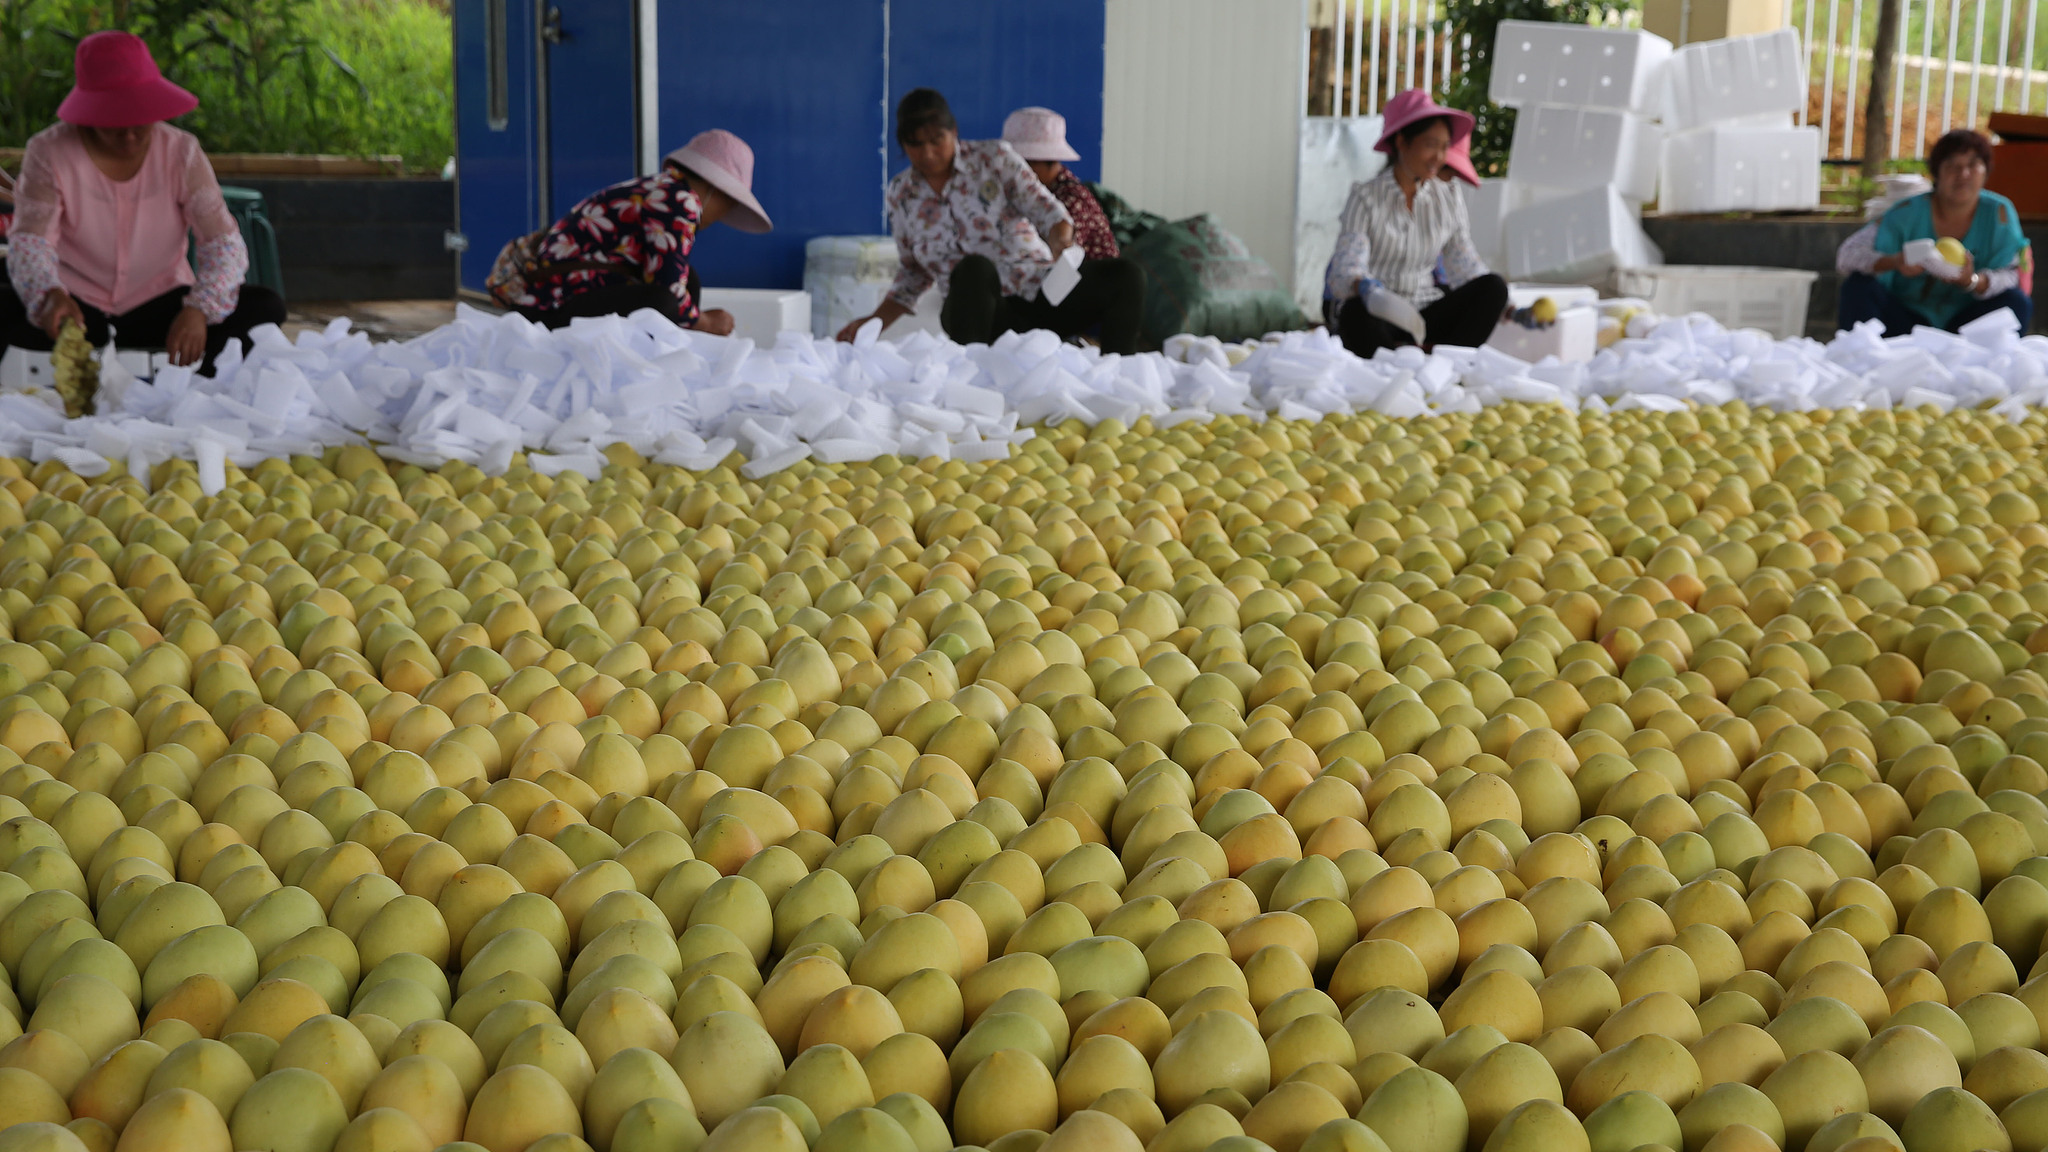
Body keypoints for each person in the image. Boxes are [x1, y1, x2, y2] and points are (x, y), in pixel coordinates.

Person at [1, 31, 286, 373]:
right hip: (76, 310)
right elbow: (31, 240)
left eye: (140, 122)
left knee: (265, 307)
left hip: (163, 305)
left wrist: (199, 309)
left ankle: (186, 372)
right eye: (114, 126)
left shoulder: (182, 151)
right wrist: (48, 295)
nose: (130, 136)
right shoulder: (49, 152)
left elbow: (222, 242)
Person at [837, 88, 1145, 354]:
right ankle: (973, 384)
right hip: (979, 314)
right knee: (973, 268)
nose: (928, 153)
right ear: (902, 144)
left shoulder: (994, 159)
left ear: (954, 131)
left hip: (1040, 294)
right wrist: (872, 323)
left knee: (1126, 275)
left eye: (936, 140)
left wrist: (1061, 243)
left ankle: (1117, 378)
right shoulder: (901, 194)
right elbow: (912, 275)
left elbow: (1049, 212)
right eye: (916, 144)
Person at [489, 129, 770, 334]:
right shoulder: (679, 199)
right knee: (663, 302)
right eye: (729, 203)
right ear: (714, 189)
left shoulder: (660, 188)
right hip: (548, 310)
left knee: (688, 280)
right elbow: (666, 285)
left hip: (549, 300)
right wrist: (706, 323)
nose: (723, 215)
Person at [1325, 89, 1508, 357]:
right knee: (1354, 313)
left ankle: (1445, 364)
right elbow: (1345, 267)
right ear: (1402, 142)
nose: (1438, 157)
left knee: (1493, 288)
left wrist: (1510, 308)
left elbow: (1464, 263)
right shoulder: (1365, 197)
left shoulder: (1448, 196)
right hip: (1379, 312)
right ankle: (1396, 366)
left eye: (1445, 147)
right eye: (1430, 144)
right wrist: (1364, 286)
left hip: (1425, 312)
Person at [1838, 129, 2031, 334]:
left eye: (1973, 165)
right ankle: (1864, 357)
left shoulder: (1999, 213)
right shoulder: (1906, 212)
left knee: (2016, 302)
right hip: (1905, 322)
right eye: (1952, 166)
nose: (1963, 174)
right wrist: (1895, 261)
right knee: (1858, 287)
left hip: (1967, 325)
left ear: (1986, 171)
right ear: (1936, 173)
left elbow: (2012, 275)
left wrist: (1971, 281)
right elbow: (1847, 255)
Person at [1003, 106, 1119, 262]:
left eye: (1023, 165)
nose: (1016, 172)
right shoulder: (1028, 192)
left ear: (1047, 161)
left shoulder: (1071, 200)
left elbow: (1054, 255)